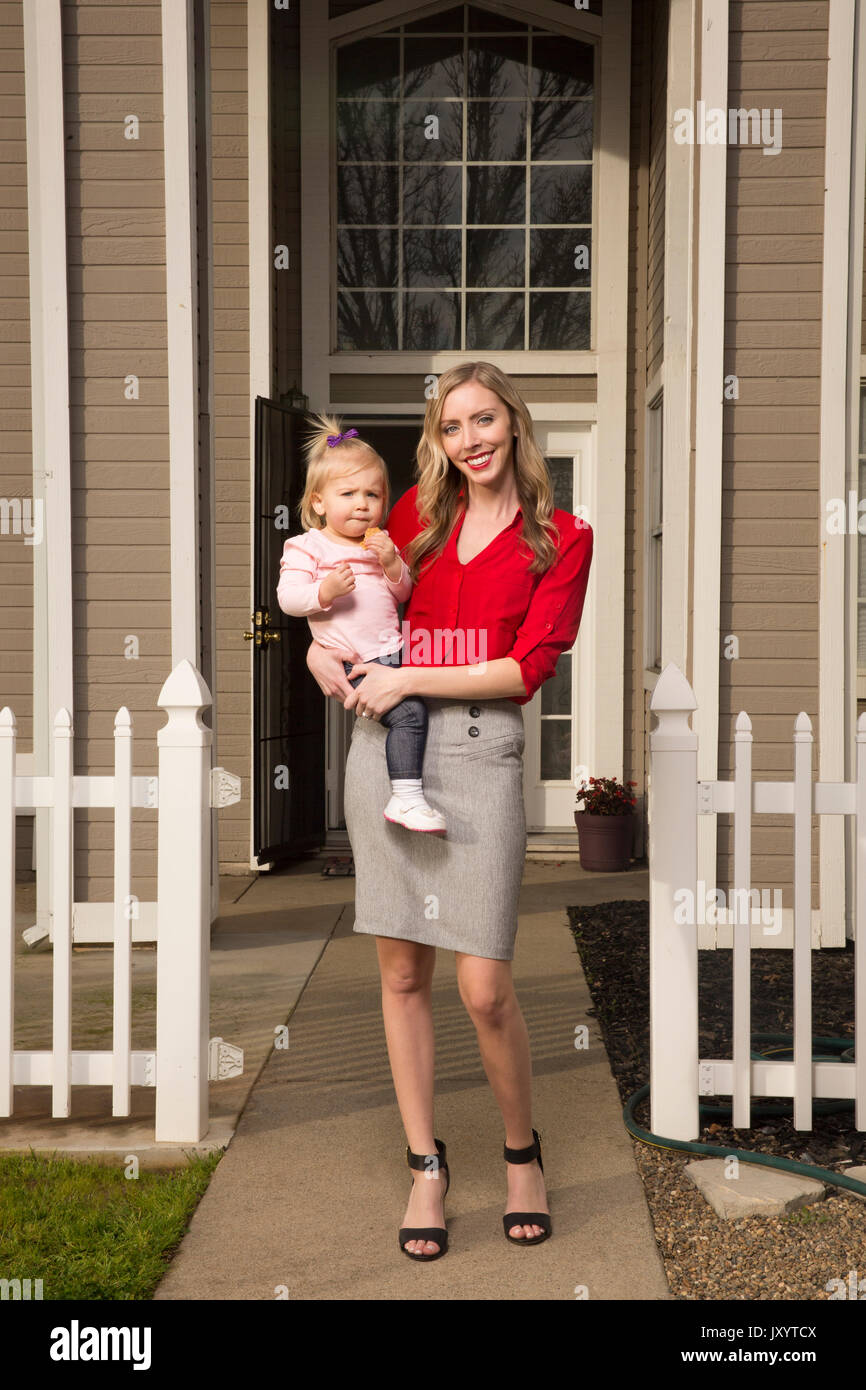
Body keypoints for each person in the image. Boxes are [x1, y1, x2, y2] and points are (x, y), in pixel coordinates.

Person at [305, 362, 594, 1260]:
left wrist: (409, 677)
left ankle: (521, 1156)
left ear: (514, 423)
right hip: (388, 750)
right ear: (439, 441)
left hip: (482, 755)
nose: (470, 440)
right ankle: (426, 1165)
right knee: (400, 976)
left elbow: (524, 668)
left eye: (484, 420)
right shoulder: (410, 524)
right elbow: (344, 603)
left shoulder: (563, 538)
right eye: (452, 426)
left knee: (483, 986)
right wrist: (316, 654)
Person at [276, 414, 446, 833]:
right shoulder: (307, 546)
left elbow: (403, 593)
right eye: (348, 493)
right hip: (356, 661)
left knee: (425, 706)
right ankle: (406, 799)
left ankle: (414, 794)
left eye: (373, 494)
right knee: (409, 716)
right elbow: (288, 599)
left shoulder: (379, 543)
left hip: (394, 653)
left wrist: (391, 562)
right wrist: (325, 591)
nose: (361, 504)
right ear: (319, 502)